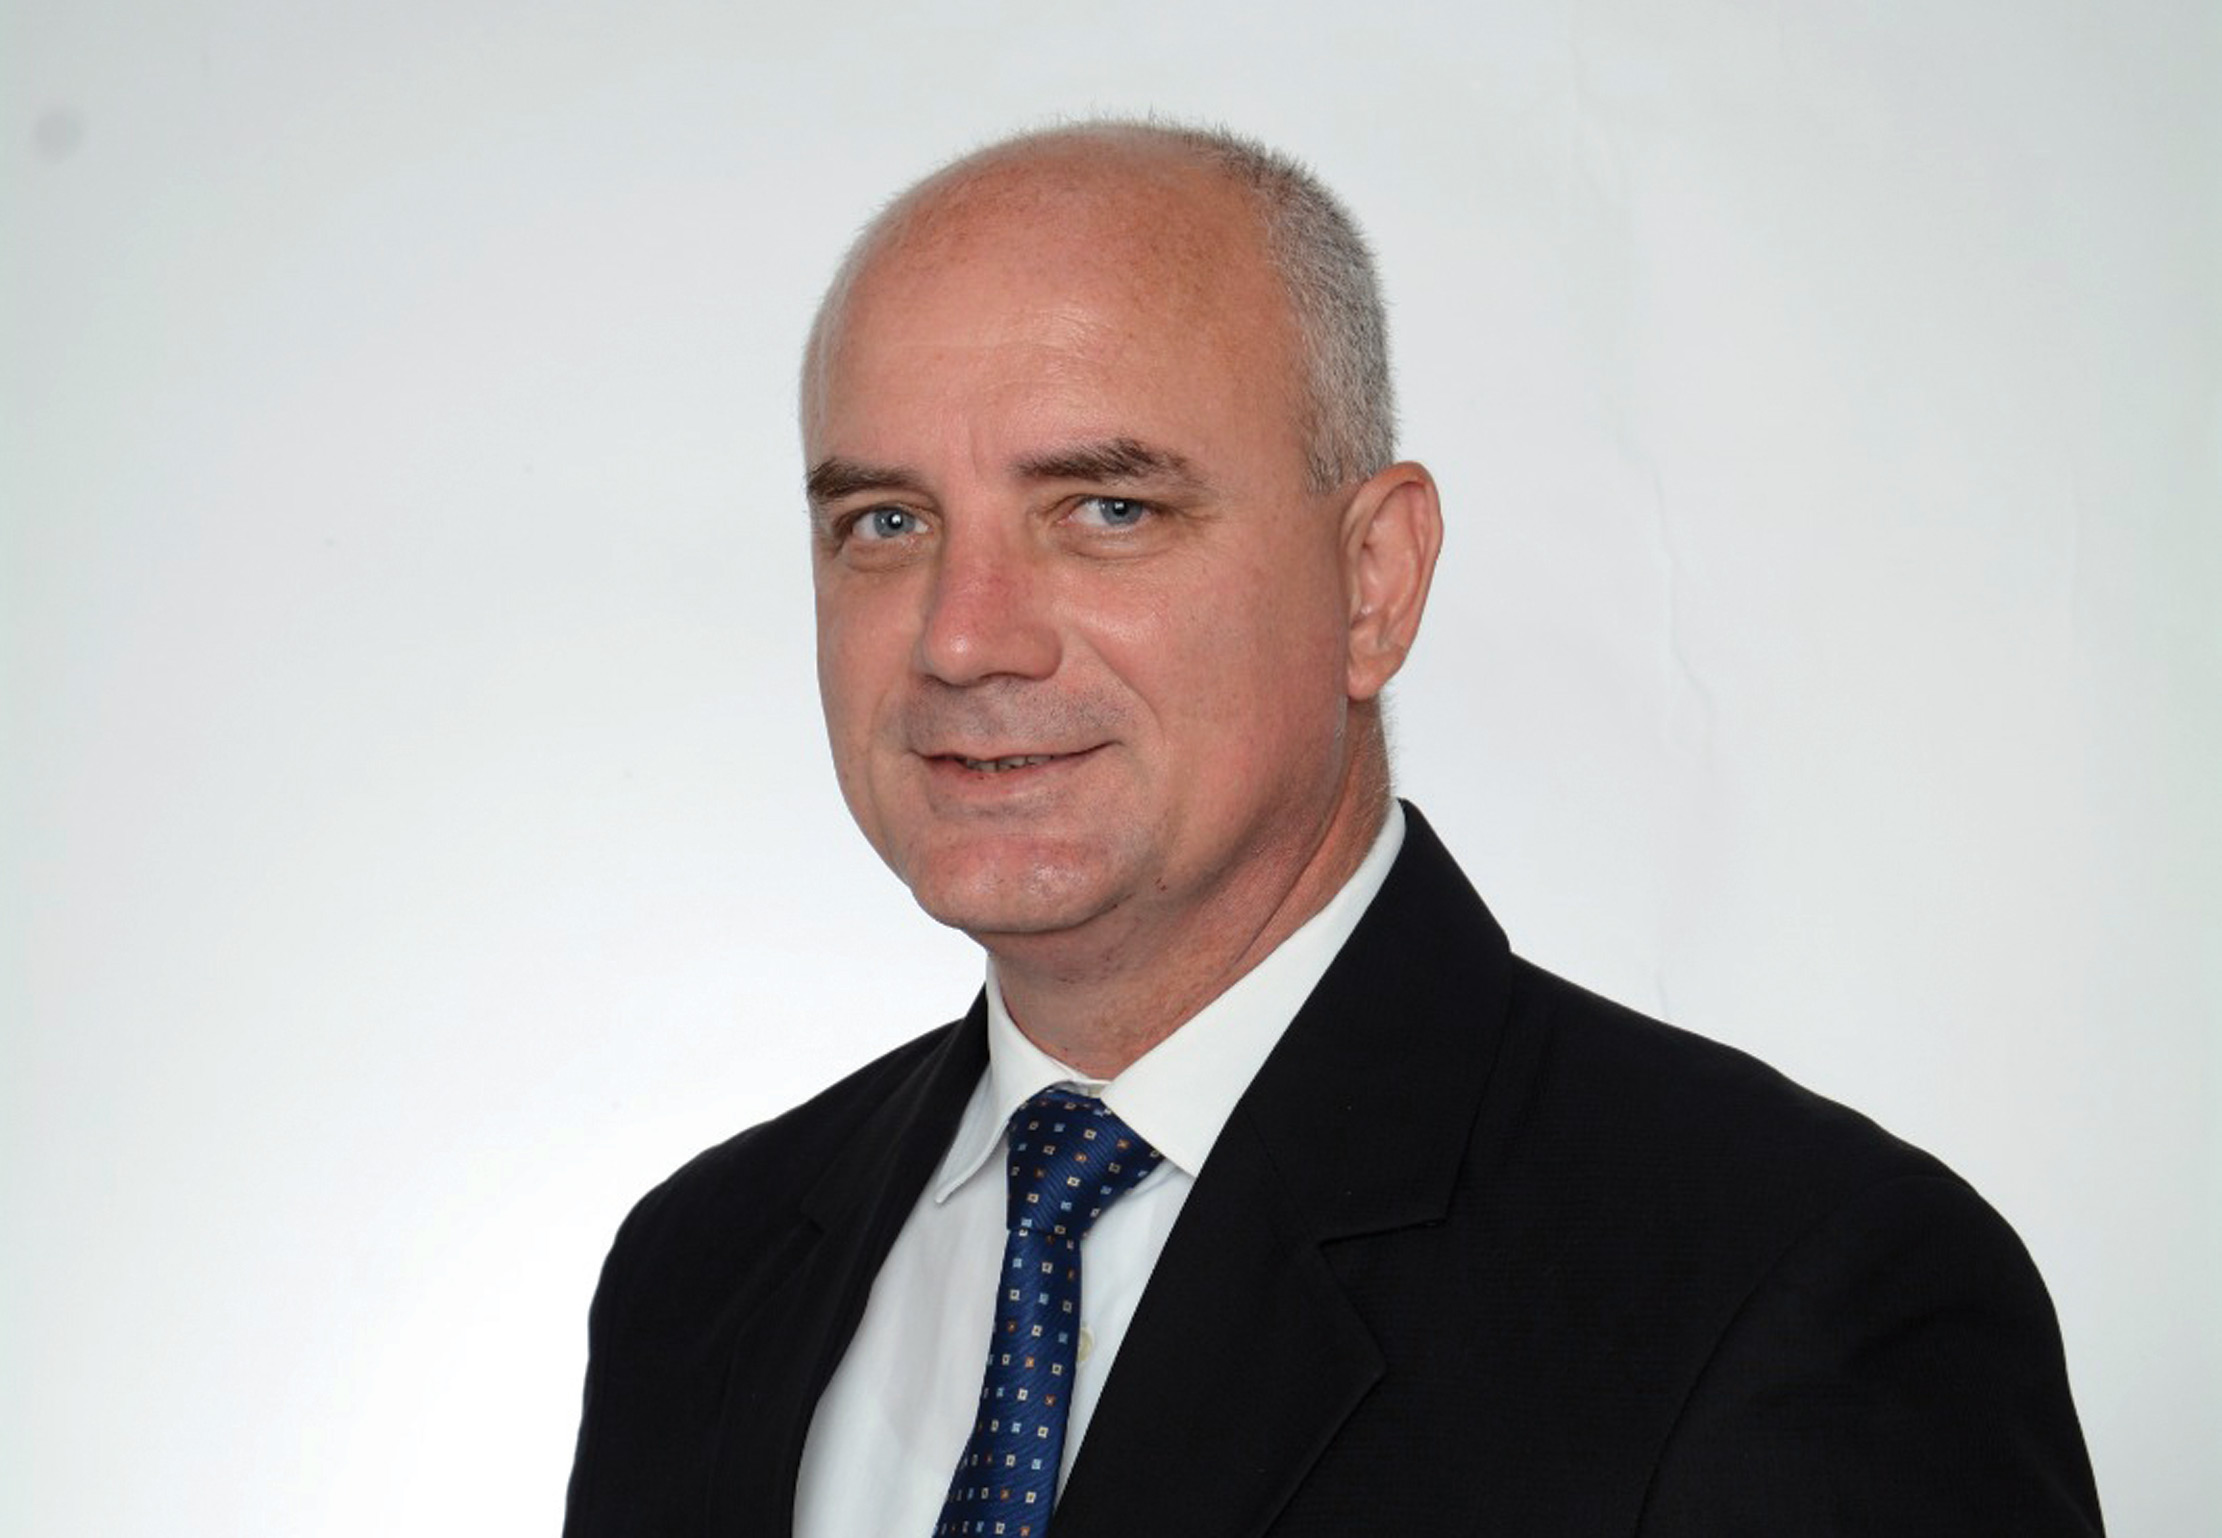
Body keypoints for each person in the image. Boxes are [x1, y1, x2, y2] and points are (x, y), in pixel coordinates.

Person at [562, 120, 2102, 1537]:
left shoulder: (1793, 1290)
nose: (963, 637)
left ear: (1372, 582)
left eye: (1106, 509)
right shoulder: (699, 1271)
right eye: (885, 523)